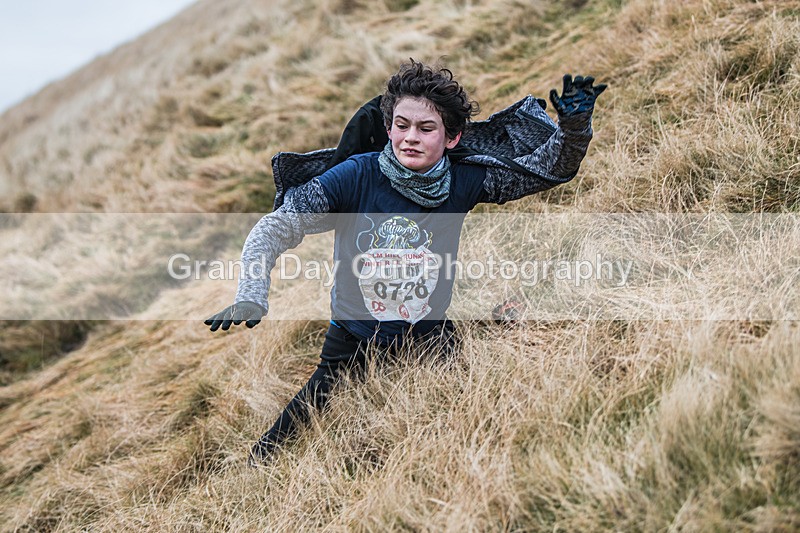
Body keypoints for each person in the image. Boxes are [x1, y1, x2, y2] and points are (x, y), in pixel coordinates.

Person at [204, 59, 606, 464]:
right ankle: (257, 463)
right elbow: (273, 229)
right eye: (401, 125)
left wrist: (574, 127)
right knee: (298, 419)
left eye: (426, 128)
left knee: (469, 410)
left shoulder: (465, 180)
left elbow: (549, 170)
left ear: (452, 137)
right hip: (352, 335)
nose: (410, 138)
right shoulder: (354, 175)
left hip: (428, 333)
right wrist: (252, 293)